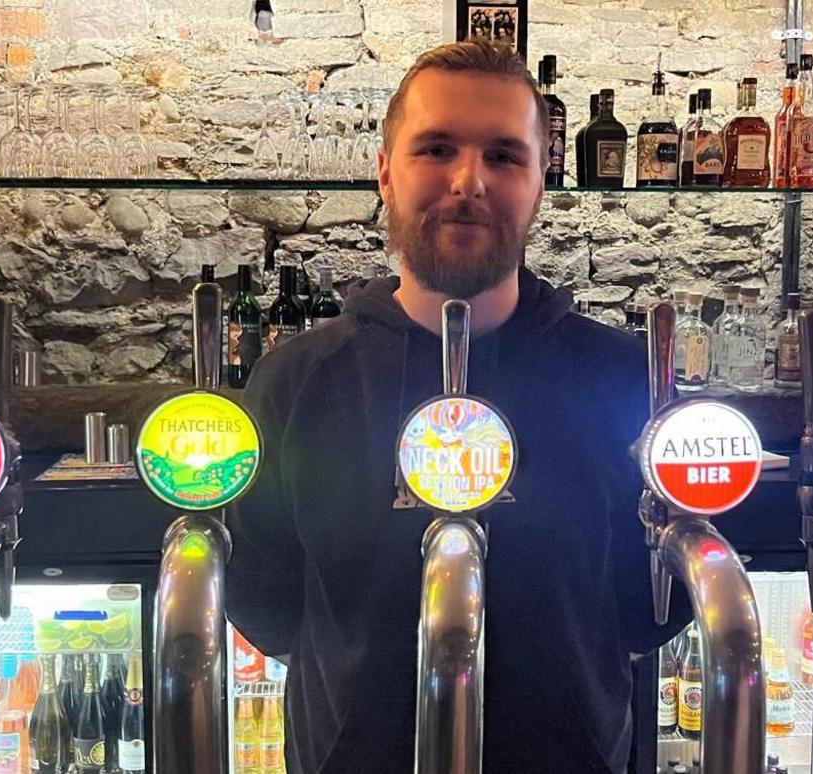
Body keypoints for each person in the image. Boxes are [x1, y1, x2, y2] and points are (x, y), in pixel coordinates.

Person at [227, 37, 689, 774]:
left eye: (505, 156)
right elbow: (262, 601)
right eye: (436, 148)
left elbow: (653, 607)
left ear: (542, 182)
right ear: (385, 171)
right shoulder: (298, 379)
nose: (469, 180)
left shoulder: (621, 380)